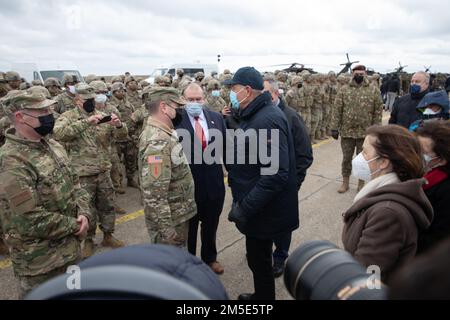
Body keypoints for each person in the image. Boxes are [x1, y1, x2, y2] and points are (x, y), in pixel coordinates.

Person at [0, 91, 91, 298]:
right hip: (40, 264)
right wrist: (75, 225)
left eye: (49, 109)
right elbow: (27, 219)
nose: (50, 114)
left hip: (70, 251)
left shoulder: (53, 146)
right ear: (21, 117)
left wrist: (85, 212)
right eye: (42, 111)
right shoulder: (11, 161)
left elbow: (76, 185)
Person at [224, 67, 299, 300]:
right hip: (260, 208)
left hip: (262, 210)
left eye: (234, 90)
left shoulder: (267, 119)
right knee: (259, 260)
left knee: (259, 260)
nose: (231, 94)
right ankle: (262, 296)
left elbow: (275, 174)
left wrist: (244, 208)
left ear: (247, 90)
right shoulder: (257, 114)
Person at [341, 124, 433, 284]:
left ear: (383, 162)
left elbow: (366, 279)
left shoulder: (388, 213)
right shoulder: (384, 193)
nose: (359, 157)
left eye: (364, 152)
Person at [53, 83, 125, 258]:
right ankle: (89, 240)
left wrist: (118, 125)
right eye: (87, 100)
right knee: (87, 210)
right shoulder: (68, 117)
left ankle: (108, 235)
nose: (91, 103)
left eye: (93, 99)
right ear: (78, 100)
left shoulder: (102, 116)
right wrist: (85, 123)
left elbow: (122, 136)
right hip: (81, 174)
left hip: (103, 171)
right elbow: (59, 133)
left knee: (107, 205)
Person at [263, 79, 313, 277]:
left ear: (275, 94)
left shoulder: (291, 117)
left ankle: (280, 256)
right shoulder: (257, 114)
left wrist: (293, 182)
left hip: (284, 185)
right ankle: (262, 249)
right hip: (262, 183)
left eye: (264, 92)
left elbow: (305, 155)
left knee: (282, 224)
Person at [176, 83, 227, 274]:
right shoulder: (176, 120)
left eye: (198, 99)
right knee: (189, 228)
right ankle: (188, 262)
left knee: (211, 224)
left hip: (213, 183)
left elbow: (225, 148)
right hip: (188, 185)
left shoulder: (216, 118)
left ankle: (210, 258)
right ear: (183, 100)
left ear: (204, 99)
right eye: (190, 100)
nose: (195, 103)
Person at [138, 87, 197, 248]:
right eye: (177, 107)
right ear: (164, 107)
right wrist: (167, 229)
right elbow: (155, 192)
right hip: (171, 220)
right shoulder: (158, 141)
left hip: (176, 214)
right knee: (172, 265)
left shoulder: (162, 133)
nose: (180, 112)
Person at [331, 65, 383, 193]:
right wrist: (334, 127)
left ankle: (361, 183)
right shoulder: (344, 89)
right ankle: (345, 182)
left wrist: (376, 130)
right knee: (346, 158)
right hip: (347, 131)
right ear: (352, 73)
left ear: (365, 74)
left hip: (365, 133)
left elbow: (378, 111)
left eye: (362, 73)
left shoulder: (373, 90)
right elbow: (337, 109)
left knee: (363, 161)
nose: (359, 75)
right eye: (356, 73)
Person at [416, 121, 450, 254]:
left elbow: (438, 236)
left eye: (424, 152)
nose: (418, 155)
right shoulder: (427, 171)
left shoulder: (444, 190)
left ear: (442, 159)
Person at [108, 82, 139, 189]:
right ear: (113, 92)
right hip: (116, 139)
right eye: (119, 91)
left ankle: (130, 179)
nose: (122, 93)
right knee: (117, 164)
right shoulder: (110, 106)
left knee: (131, 160)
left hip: (129, 136)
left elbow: (134, 117)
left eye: (123, 91)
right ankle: (118, 183)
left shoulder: (129, 104)